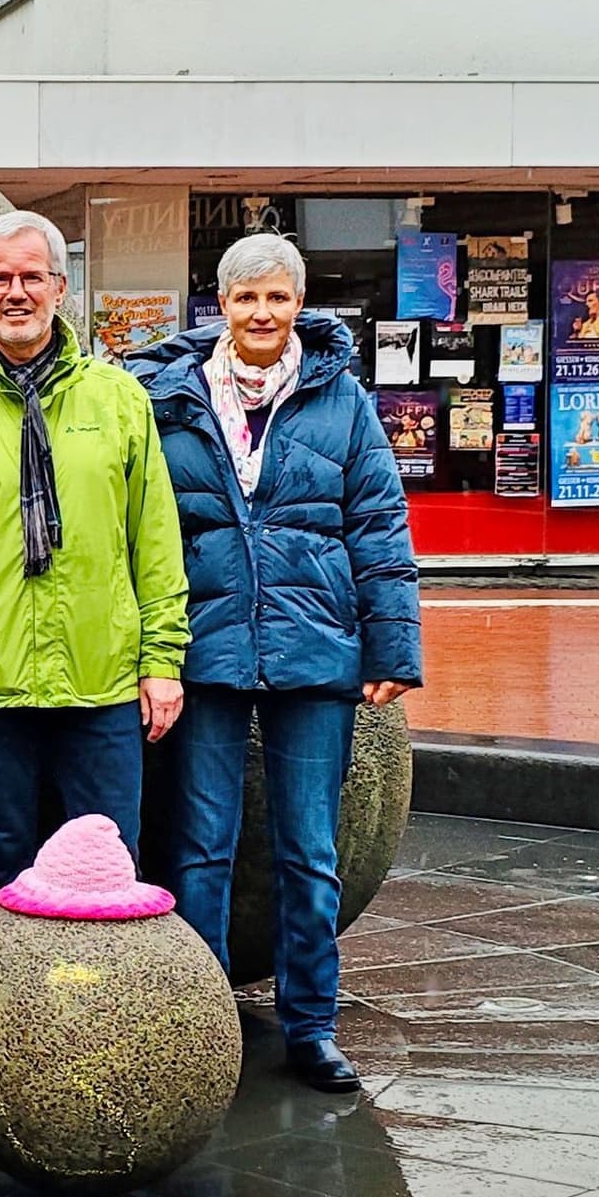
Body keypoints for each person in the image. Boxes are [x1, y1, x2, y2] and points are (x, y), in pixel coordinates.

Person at [135, 233, 422, 1093]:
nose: (262, 314)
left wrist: (391, 646)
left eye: (278, 298)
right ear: (218, 305)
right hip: (209, 650)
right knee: (200, 847)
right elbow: (145, 531)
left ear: (300, 305)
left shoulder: (342, 400)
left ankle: (311, 1025)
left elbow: (379, 525)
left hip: (315, 653)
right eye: (245, 298)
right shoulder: (171, 398)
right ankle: (203, 1024)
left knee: (309, 849)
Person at [0, 210, 189, 917]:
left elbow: (153, 538)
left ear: (62, 288)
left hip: (102, 682)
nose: (16, 292)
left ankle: (106, 1020)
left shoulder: (118, 401)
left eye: (32, 276)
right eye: (1, 278)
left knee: (109, 868)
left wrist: (162, 659)